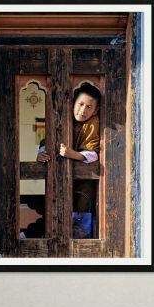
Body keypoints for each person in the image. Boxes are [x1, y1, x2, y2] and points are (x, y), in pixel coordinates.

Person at [36, 82, 102, 238]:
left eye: (89, 107)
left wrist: (73, 154)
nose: (83, 110)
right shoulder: (61, 120)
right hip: (60, 177)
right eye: (80, 104)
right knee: (55, 210)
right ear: (72, 103)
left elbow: (94, 154)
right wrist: (40, 154)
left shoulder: (93, 123)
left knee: (81, 211)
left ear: (96, 111)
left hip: (84, 178)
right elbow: (47, 143)